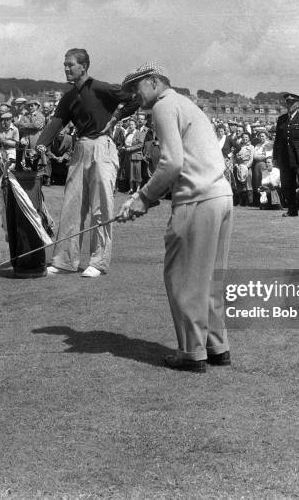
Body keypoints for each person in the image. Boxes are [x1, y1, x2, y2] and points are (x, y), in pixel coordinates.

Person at [117, 61, 233, 373]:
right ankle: (216, 346)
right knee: (210, 278)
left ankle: (192, 353)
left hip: (198, 199)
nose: (133, 95)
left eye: (136, 87)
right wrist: (146, 199)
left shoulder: (164, 106)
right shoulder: (185, 103)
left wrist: (143, 197)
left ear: (154, 82)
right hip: (221, 195)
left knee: (183, 278)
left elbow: (171, 163)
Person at [36, 48, 138, 278]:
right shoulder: (69, 97)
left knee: (101, 207)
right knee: (72, 207)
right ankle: (64, 261)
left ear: (83, 66)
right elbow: (56, 124)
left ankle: (98, 261)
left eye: (70, 64)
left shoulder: (101, 88)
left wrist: (116, 118)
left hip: (102, 147)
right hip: (80, 149)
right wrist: (40, 144)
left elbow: (135, 99)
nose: (66, 68)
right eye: (64, 64)